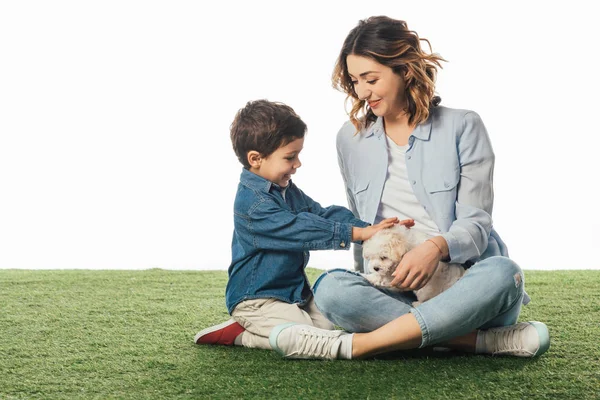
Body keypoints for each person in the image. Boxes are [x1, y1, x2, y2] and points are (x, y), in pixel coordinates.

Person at [269, 16, 550, 360]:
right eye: (355, 81)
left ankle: (359, 345)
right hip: (394, 290)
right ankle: (476, 341)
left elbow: (476, 226)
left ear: (404, 69)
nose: (362, 92)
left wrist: (432, 249)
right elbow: (363, 223)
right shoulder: (350, 139)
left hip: (464, 285)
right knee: (330, 289)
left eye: (371, 79)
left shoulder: (463, 126)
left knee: (505, 274)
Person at [193, 99, 402, 350]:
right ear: (256, 158)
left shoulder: (284, 189)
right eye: (290, 157)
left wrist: (369, 230)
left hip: (293, 294)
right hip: (256, 299)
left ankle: (264, 329)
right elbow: (298, 228)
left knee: (325, 325)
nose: (297, 164)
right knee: (305, 334)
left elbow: (320, 214)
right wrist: (353, 233)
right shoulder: (253, 205)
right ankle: (243, 334)